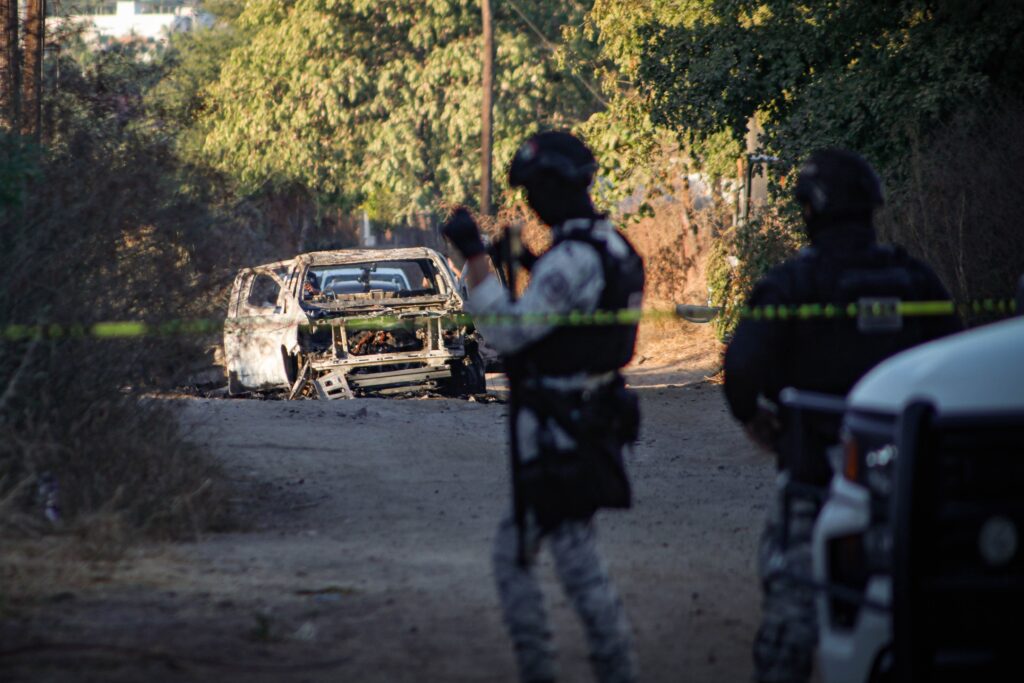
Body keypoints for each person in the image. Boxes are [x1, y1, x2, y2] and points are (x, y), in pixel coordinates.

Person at [723, 148, 962, 683]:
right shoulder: (913, 278)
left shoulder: (789, 285)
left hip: (815, 480)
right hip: (907, 488)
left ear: (808, 210)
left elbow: (740, 369)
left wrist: (755, 419)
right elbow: (954, 361)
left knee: (792, 617)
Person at [441, 131, 643, 683]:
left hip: (562, 429)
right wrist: (526, 260)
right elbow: (573, 309)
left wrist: (476, 258)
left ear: (555, 187)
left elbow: (509, 333)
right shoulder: (614, 245)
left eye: (531, 190)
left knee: (570, 565)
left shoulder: (572, 258)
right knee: (527, 553)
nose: (528, 203)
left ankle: (591, 669)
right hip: (591, 416)